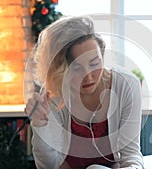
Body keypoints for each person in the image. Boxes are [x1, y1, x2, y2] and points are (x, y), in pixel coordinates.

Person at [25, 15, 144, 169]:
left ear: (102, 54)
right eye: (76, 68)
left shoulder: (126, 85)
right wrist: (40, 125)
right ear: (61, 70)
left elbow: (131, 154)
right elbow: (48, 165)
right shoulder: (53, 95)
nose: (88, 76)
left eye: (94, 63)